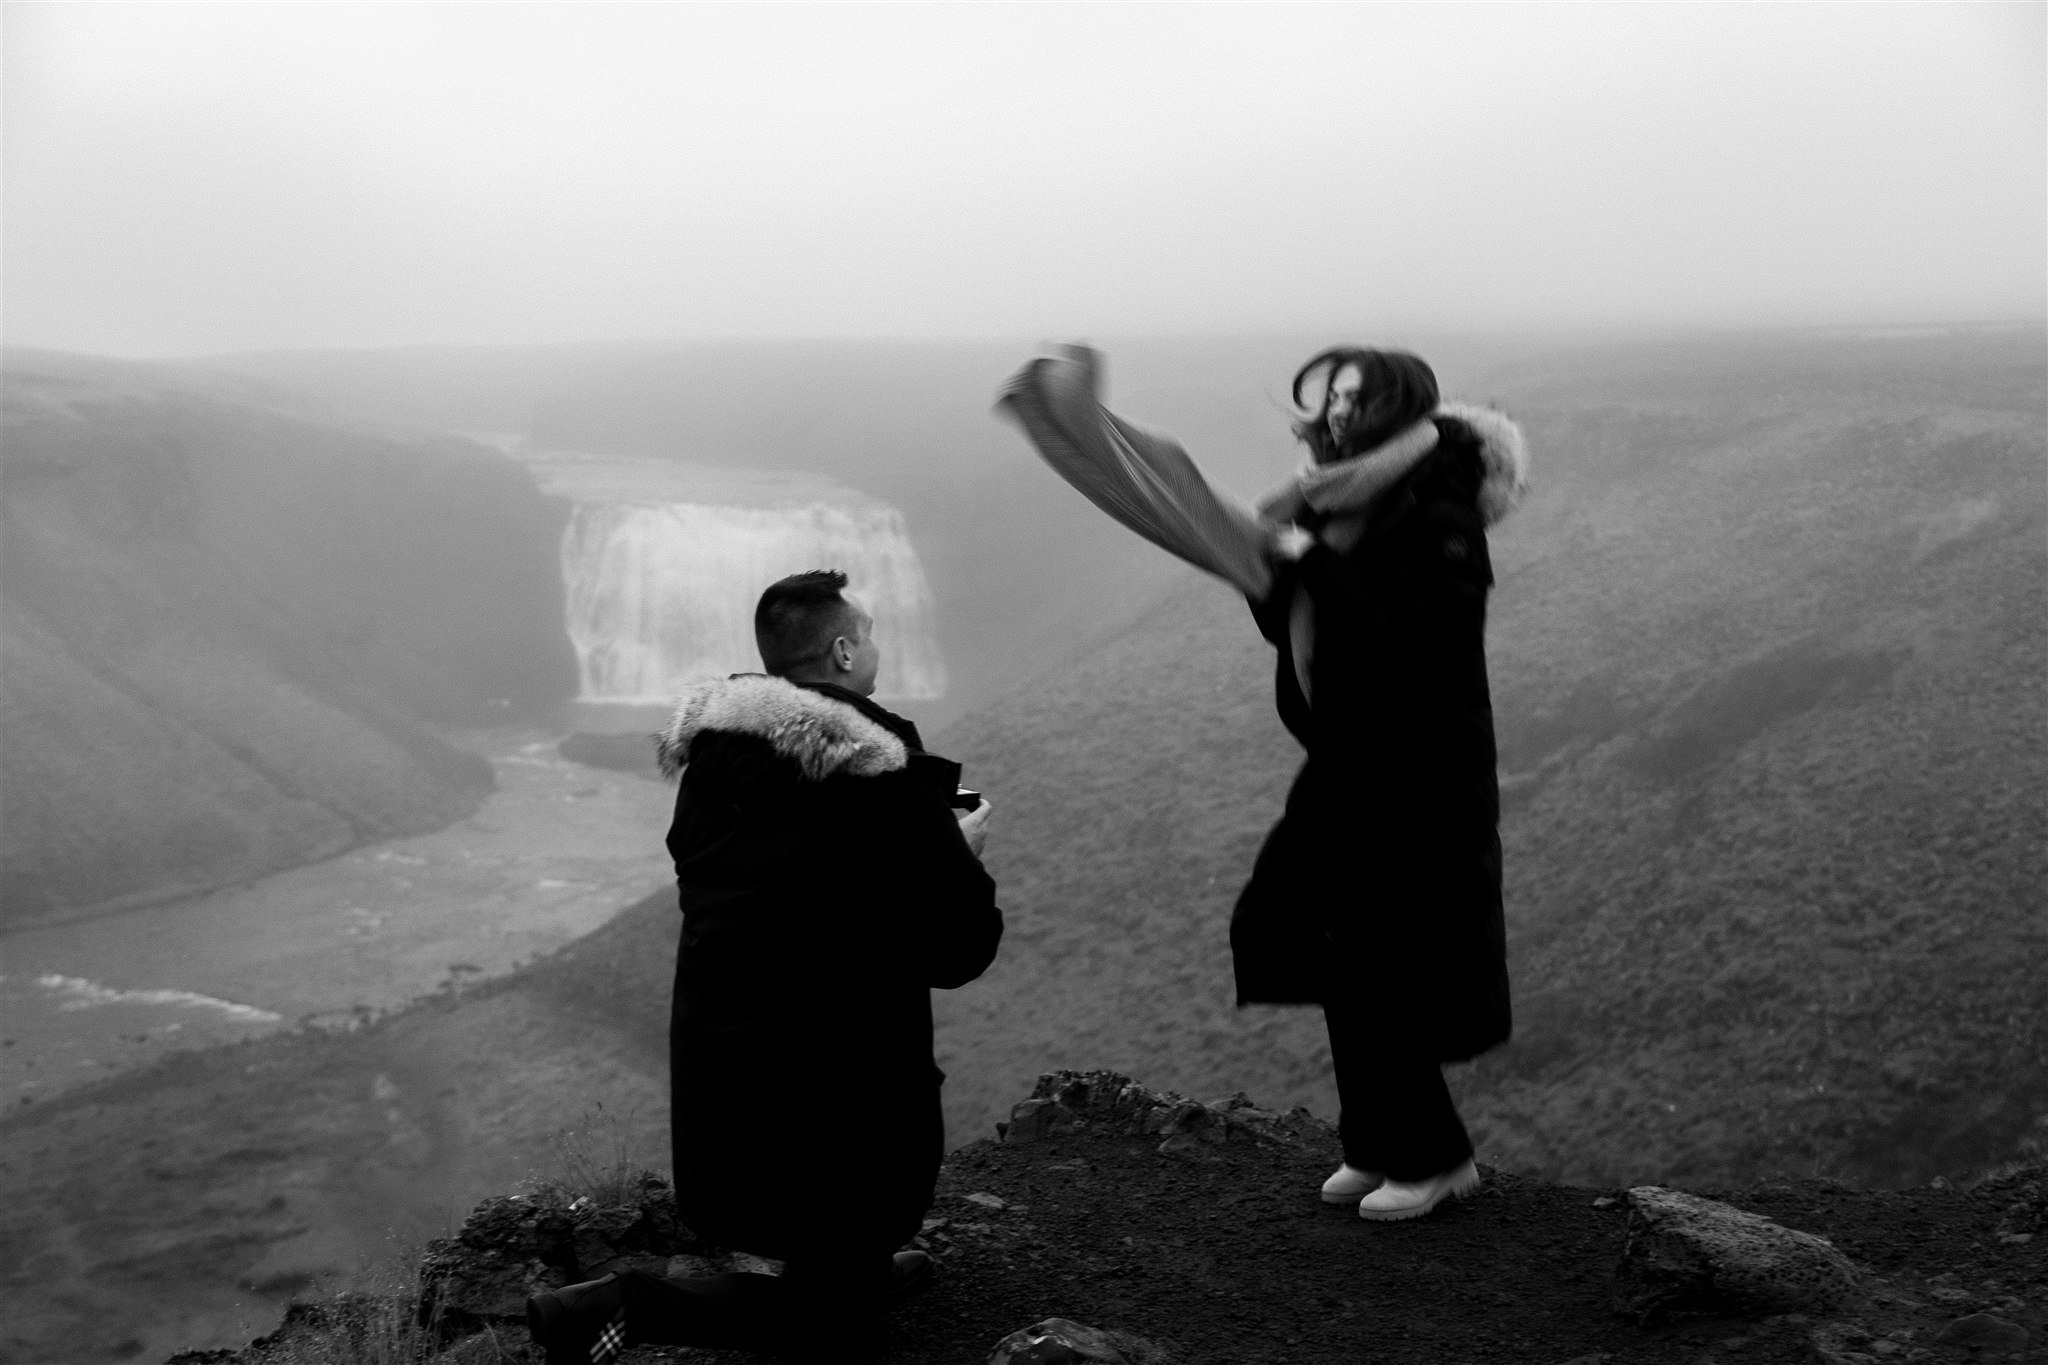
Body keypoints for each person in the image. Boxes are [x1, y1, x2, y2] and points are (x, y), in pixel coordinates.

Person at [526, 570, 1002, 1364]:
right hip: (845, 1125)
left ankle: (853, 1271)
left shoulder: (714, 772)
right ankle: (617, 1306)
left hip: (730, 1109)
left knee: (840, 1259)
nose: (879, 644)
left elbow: (790, 903)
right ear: (844, 650)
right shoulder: (888, 787)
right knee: (832, 1328)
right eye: (872, 631)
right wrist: (957, 854)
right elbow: (959, 950)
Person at [1233, 346, 1527, 1222]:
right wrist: (1275, 568)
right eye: (1333, 399)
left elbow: (1403, 637)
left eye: (1358, 400)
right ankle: (1376, 1140)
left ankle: (1436, 1157)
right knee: (1330, 942)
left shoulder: (1440, 514)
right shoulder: (1346, 503)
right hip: (1353, 762)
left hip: (1419, 776)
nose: (1338, 415)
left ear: (1400, 411)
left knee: (1381, 959)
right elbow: (1303, 627)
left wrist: (1308, 559)